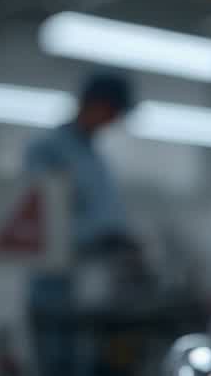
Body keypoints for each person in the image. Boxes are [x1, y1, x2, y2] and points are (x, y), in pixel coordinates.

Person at [24, 71, 136, 256]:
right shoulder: (47, 149)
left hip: (92, 267)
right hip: (57, 270)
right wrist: (99, 236)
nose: (114, 121)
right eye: (112, 112)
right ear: (94, 105)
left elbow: (103, 211)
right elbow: (43, 216)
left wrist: (118, 234)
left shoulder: (96, 159)